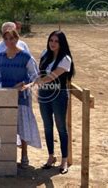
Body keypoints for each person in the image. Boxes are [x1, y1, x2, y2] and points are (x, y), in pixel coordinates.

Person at [0, 29, 41, 168]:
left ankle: (24, 156)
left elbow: (35, 76)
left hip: (22, 98)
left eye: (12, 38)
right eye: (6, 39)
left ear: (17, 38)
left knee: (22, 127)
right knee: (7, 128)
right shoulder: (0, 56)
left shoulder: (26, 56)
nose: (9, 41)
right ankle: (7, 158)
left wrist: (27, 85)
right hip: (5, 97)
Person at [36, 30, 75, 175]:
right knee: (47, 126)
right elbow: (40, 73)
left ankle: (64, 160)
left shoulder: (66, 59)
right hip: (44, 95)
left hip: (59, 95)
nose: (53, 43)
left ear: (61, 43)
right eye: (51, 40)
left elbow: (52, 76)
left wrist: (38, 81)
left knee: (61, 128)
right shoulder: (44, 54)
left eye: (56, 41)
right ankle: (51, 156)